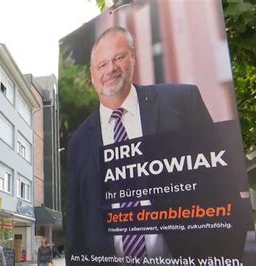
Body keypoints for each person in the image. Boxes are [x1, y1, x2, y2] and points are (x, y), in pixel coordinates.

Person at [65, 26, 215, 261]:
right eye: (102, 64)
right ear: (92, 74)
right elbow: (75, 226)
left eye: (118, 58)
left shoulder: (182, 103)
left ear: (133, 58)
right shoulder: (78, 142)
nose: (111, 69)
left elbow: (219, 184)